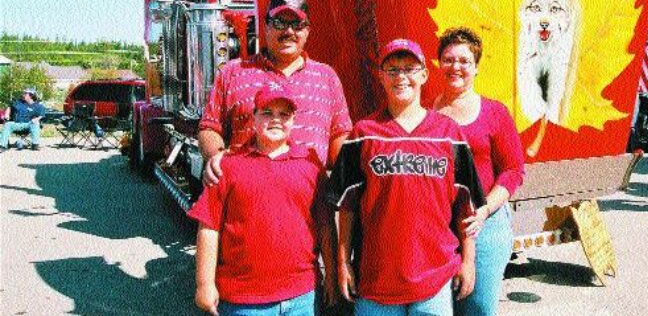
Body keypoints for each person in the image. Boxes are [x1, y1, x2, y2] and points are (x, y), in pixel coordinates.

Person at [328, 39, 486, 316]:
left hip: (433, 280)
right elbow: (347, 206)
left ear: (424, 75)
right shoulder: (364, 133)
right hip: (377, 282)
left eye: (410, 69)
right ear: (381, 76)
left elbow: (465, 206)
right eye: (393, 70)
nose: (401, 77)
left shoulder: (448, 133)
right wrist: (343, 263)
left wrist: (469, 260)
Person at [189, 83, 336, 316]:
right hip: (243, 299)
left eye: (284, 114)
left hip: (301, 295)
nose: (275, 119)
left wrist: (331, 275)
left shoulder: (310, 165)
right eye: (267, 113)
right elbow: (209, 228)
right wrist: (204, 284)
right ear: (253, 118)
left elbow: (326, 224)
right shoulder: (228, 166)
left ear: (294, 120)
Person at [199, 0, 352, 185]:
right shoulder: (232, 72)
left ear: (307, 31)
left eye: (297, 25)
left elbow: (339, 135)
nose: (288, 32)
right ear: (266, 27)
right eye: (279, 23)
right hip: (247, 199)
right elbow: (209, 127)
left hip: (308, 205)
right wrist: (215, 156)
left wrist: (352, 172)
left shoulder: (327, 77)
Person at [432, 27, 524, 316]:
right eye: (448, 60)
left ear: (476, 68)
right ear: (438, 64)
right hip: (439, 227)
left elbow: (512, 170)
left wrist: (484, 210)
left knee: (478, 307)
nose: (455, 67)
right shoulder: (426, 113)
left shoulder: (495, 113)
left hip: (484, 226)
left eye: (464, 61)